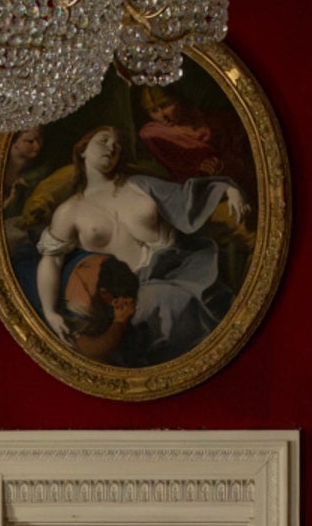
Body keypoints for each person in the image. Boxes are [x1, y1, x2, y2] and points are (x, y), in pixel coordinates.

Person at [32, 124, 250, 368]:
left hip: (180, 268)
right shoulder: (69, 211)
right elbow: (51, 260)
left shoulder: (140, 184)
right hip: (133, 288)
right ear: (82, 150)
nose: (111, 148)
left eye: (117, 146)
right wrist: (50, 311)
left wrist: (228, 189)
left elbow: (187, 198)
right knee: (155, 310)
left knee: (176, 304)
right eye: (103, 140)